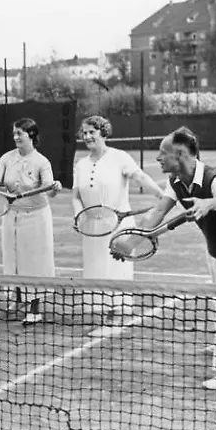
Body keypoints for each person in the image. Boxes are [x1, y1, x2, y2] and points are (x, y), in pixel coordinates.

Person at [111, 127, 216, 390]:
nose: (158, 159)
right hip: (215, 252)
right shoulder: (174, 182)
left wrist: (207, 204)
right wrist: (128, 245)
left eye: (163, 154)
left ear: (180, 154)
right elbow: (157, 213)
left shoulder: (212, 176)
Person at [72, 116, 163, 327]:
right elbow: (76, 196)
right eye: (84, 133)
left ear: (103, 132)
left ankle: (117, 312)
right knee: (95, 268)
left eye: (92, 132)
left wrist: (161, 196)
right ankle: (102, 313)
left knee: (116, 268)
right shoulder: (81, 164)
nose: (87, 137)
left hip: (119, 227)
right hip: (92, 228)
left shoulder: (120, 157)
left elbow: (140, 178)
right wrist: (78, 215)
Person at [0, 118, 62, 325]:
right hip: (11, 216)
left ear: (31, 135)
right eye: (14, 133)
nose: (15, 137)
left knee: (34, 262)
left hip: (37, 217)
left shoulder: (42, 162)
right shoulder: (6, 158)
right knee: (13, 259)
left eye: (19, 133)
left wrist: (54, 188)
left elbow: (49, 187)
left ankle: (35, 309)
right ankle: (19, 299)